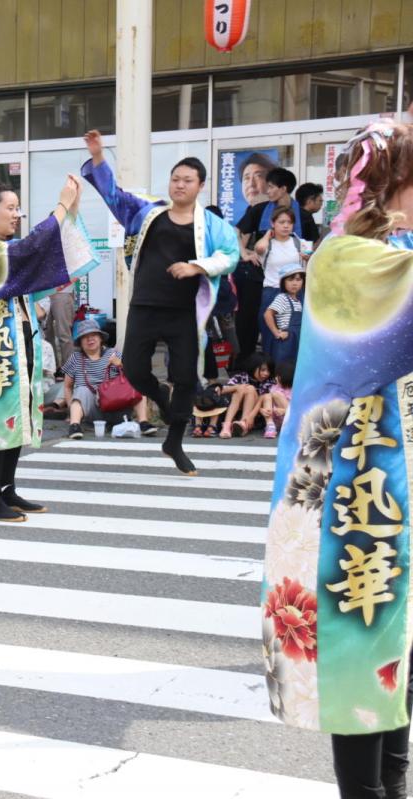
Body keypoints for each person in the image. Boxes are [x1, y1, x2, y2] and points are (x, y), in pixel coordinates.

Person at [262, 120, 413, 799]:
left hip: (380, 476)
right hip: (346, 482)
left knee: (394, 642)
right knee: (361, 639)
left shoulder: (374, 251)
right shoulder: (351, 259)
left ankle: (390, 784)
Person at [82, 129, 239, 476]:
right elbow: (115, 197)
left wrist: (195, 266)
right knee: (136, 371)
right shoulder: (149, 212)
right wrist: (97, 158)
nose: (179, 185)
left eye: (188, 180)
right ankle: (163, 402)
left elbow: (230, 256)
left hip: (184, 311)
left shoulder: (212, 225)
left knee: (185, 377)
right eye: (175, 179)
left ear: (200, 186)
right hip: (145, 306)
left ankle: (176, 442)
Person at [0, 177, 98, 522]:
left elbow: (40, 256)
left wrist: (70, 211)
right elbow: (31, 250)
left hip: (19, 344)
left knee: (16, 415)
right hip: (1, 348)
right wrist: (59, 208)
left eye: (17, 209)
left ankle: (7, 489)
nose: (16, 215)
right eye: (10, 208)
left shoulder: (5, 249)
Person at [234, 167, 319, 366]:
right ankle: (251, 365)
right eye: (281, 222)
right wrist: (245, 252)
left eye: (271, 187)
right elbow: (240, 232)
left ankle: (287, 368)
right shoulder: (259, 210)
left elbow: (313, 242)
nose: (267, 191)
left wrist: (305, 258)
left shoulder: (304, 216)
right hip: (258, 277)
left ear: (283, 189)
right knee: (252, 321)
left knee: (291, 326)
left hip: (291, 284)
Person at [61, 318, 156, 440]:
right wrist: (71, 410)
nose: (90, 339)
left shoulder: (113, 353)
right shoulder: (75, 358)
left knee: (136, 385)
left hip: (117, 404)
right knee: (81, 390)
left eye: (94, 335)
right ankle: (74, 425)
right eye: (85, 337)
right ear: (80, 342)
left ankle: (143, 423)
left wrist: (120, 364)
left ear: (101, 338)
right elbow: (67, 387)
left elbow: (135, 375)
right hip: (92, 409)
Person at [253, 206, 311, 356]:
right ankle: (272, 372)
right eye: (281, 222)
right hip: (272, 291)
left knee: (295, 333)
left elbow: (311, 265)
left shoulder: (300, 243)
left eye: (289, 222)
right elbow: (259, 248)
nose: (286, 226)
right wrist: (268, 234)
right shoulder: (268, 244)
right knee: (271, 334)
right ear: (273, 223)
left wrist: (308, 259)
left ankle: (290, 373)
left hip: (296, 293)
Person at [219, 353, 274, 438]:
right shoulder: (241, 377)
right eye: (263, 370)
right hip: (237, 410)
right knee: (242, 388)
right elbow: (223, 389)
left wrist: (251, 415)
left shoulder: (269, 382)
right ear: (253, 367)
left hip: (257, 415)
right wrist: (238, 387)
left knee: (250, 389)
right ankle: (228, 425)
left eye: (268, 371)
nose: (266, 373)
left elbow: (265, 399)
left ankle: (243, 423)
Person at [263, 262, 304, 368]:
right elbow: (268, 314)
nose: (294, 283)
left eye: (298, 279)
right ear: (283, 282)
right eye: (290, 280)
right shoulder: (282, 298)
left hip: (297, 339)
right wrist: (276, 332)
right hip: (286, 341)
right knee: (283, 368)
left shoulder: (298, 301)